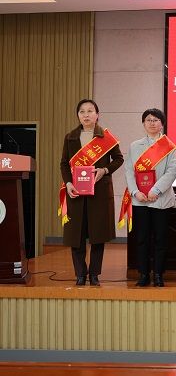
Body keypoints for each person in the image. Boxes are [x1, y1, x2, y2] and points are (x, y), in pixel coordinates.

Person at [60, 99, 124, 286]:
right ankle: (80, 274)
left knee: (98, 235)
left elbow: (118, 159)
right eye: (82, 111)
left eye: (90, 111)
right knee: (76, 236)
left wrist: (105, 170)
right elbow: (64, 164)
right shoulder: (70, 137)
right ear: (78, 115)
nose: (86, 115)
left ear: (97, 115)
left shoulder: (106, 138)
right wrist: (68, 183)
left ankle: (94, 274)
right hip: (76, 192)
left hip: (99, 192)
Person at [123, 109, 176, 287]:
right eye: (148, 120)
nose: (152, 123)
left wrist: (156, 190)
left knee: (161, 239)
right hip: (140, 200)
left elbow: (172, 171)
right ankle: (143, 274)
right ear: (143, 123)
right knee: (142, 239)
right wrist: (135, 192)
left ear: (162, 123)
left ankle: (159, 275)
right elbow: (129, 171)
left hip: (160, 199)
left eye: (156, 120)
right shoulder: (134, 146)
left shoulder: (170, 146)